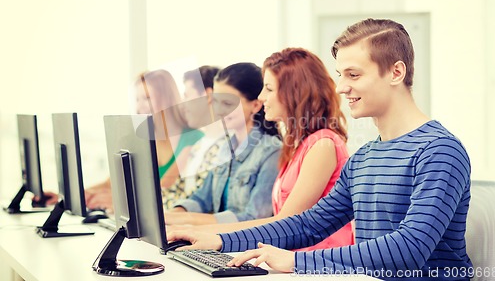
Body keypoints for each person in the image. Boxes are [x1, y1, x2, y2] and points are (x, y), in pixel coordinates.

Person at [167, 19, 472, 280]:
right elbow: (309, 224)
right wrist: (219, 240)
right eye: (341, 75)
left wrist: (296, 262)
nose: (340, 87)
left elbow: (409, 249)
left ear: (396, 73)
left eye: (353, 75)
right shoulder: (365, 157)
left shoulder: (439, 151)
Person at [170, 48, 354, 250]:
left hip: (315, 267)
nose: (261, 96)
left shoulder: (322, 145)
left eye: (269, 88)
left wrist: (204, 233)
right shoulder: (297, 146)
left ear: (294, 93)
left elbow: (286, 224)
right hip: (288, 261)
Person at [164, 62, 282, 225]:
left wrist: (184, 218)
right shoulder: (225, 147)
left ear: (255, 105)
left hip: (245, 246)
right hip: (218, 241)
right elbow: (202, 199)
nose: (219, 110)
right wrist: (172, 215)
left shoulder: (271, 152)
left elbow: (254, 218)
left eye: (227, 104)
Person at [85, 69, 203, 211]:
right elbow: (112, 182)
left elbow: (162, 190)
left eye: (147, 98)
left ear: (167, 99)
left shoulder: (195, 140)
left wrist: (117, 200)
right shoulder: (140, 138)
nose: (140, 106)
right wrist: (77, 196)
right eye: (137, 99)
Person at [163, 65, 225, 209]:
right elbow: (173, 193)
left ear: (208, 96)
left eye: (187, 95)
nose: (183, 104)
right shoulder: (198, 146)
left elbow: (202, 203)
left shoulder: (226, 146)